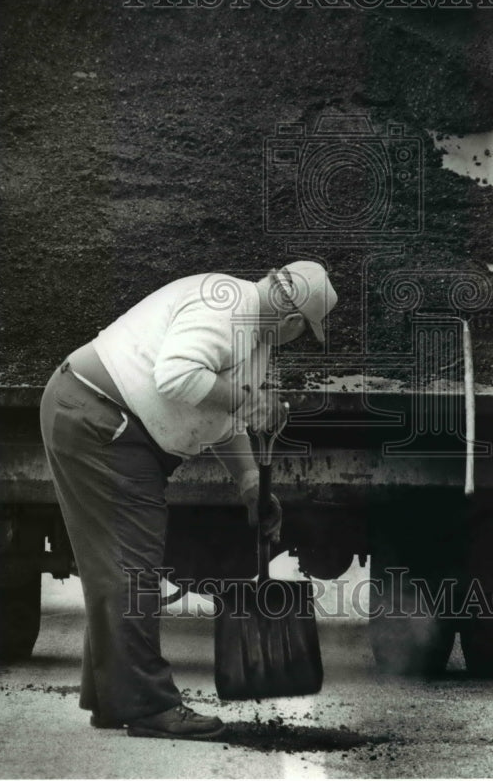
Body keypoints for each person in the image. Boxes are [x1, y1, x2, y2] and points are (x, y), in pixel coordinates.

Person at [39, 260, 337, 741]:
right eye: (304, 332)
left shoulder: (253, 336)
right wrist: (247, 401)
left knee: (117, 565)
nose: (298, 339)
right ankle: (150, 706)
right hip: (100, 420)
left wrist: (247, 481)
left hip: (107, 423)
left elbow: (218, 412)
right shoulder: (225, 307)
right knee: (129, 564)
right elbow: (176, 377)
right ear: (292, 321)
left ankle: (113, 698)